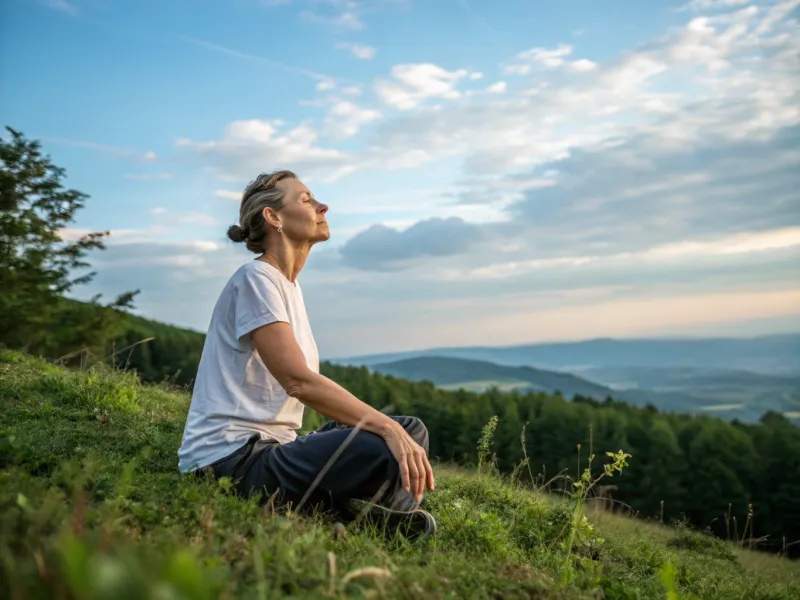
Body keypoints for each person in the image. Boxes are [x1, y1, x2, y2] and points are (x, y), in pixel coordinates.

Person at [177, 170, 436, 538]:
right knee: (384, 441)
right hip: (232, 462)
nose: (321, 205)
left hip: (275, 450)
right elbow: (297, 380)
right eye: (306, 199)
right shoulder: (255, 279)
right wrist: (384, 426)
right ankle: (368, 518)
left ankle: (367, 512)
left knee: (411, 431)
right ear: (274, 218)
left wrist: (393, 429)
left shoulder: (287, 288)